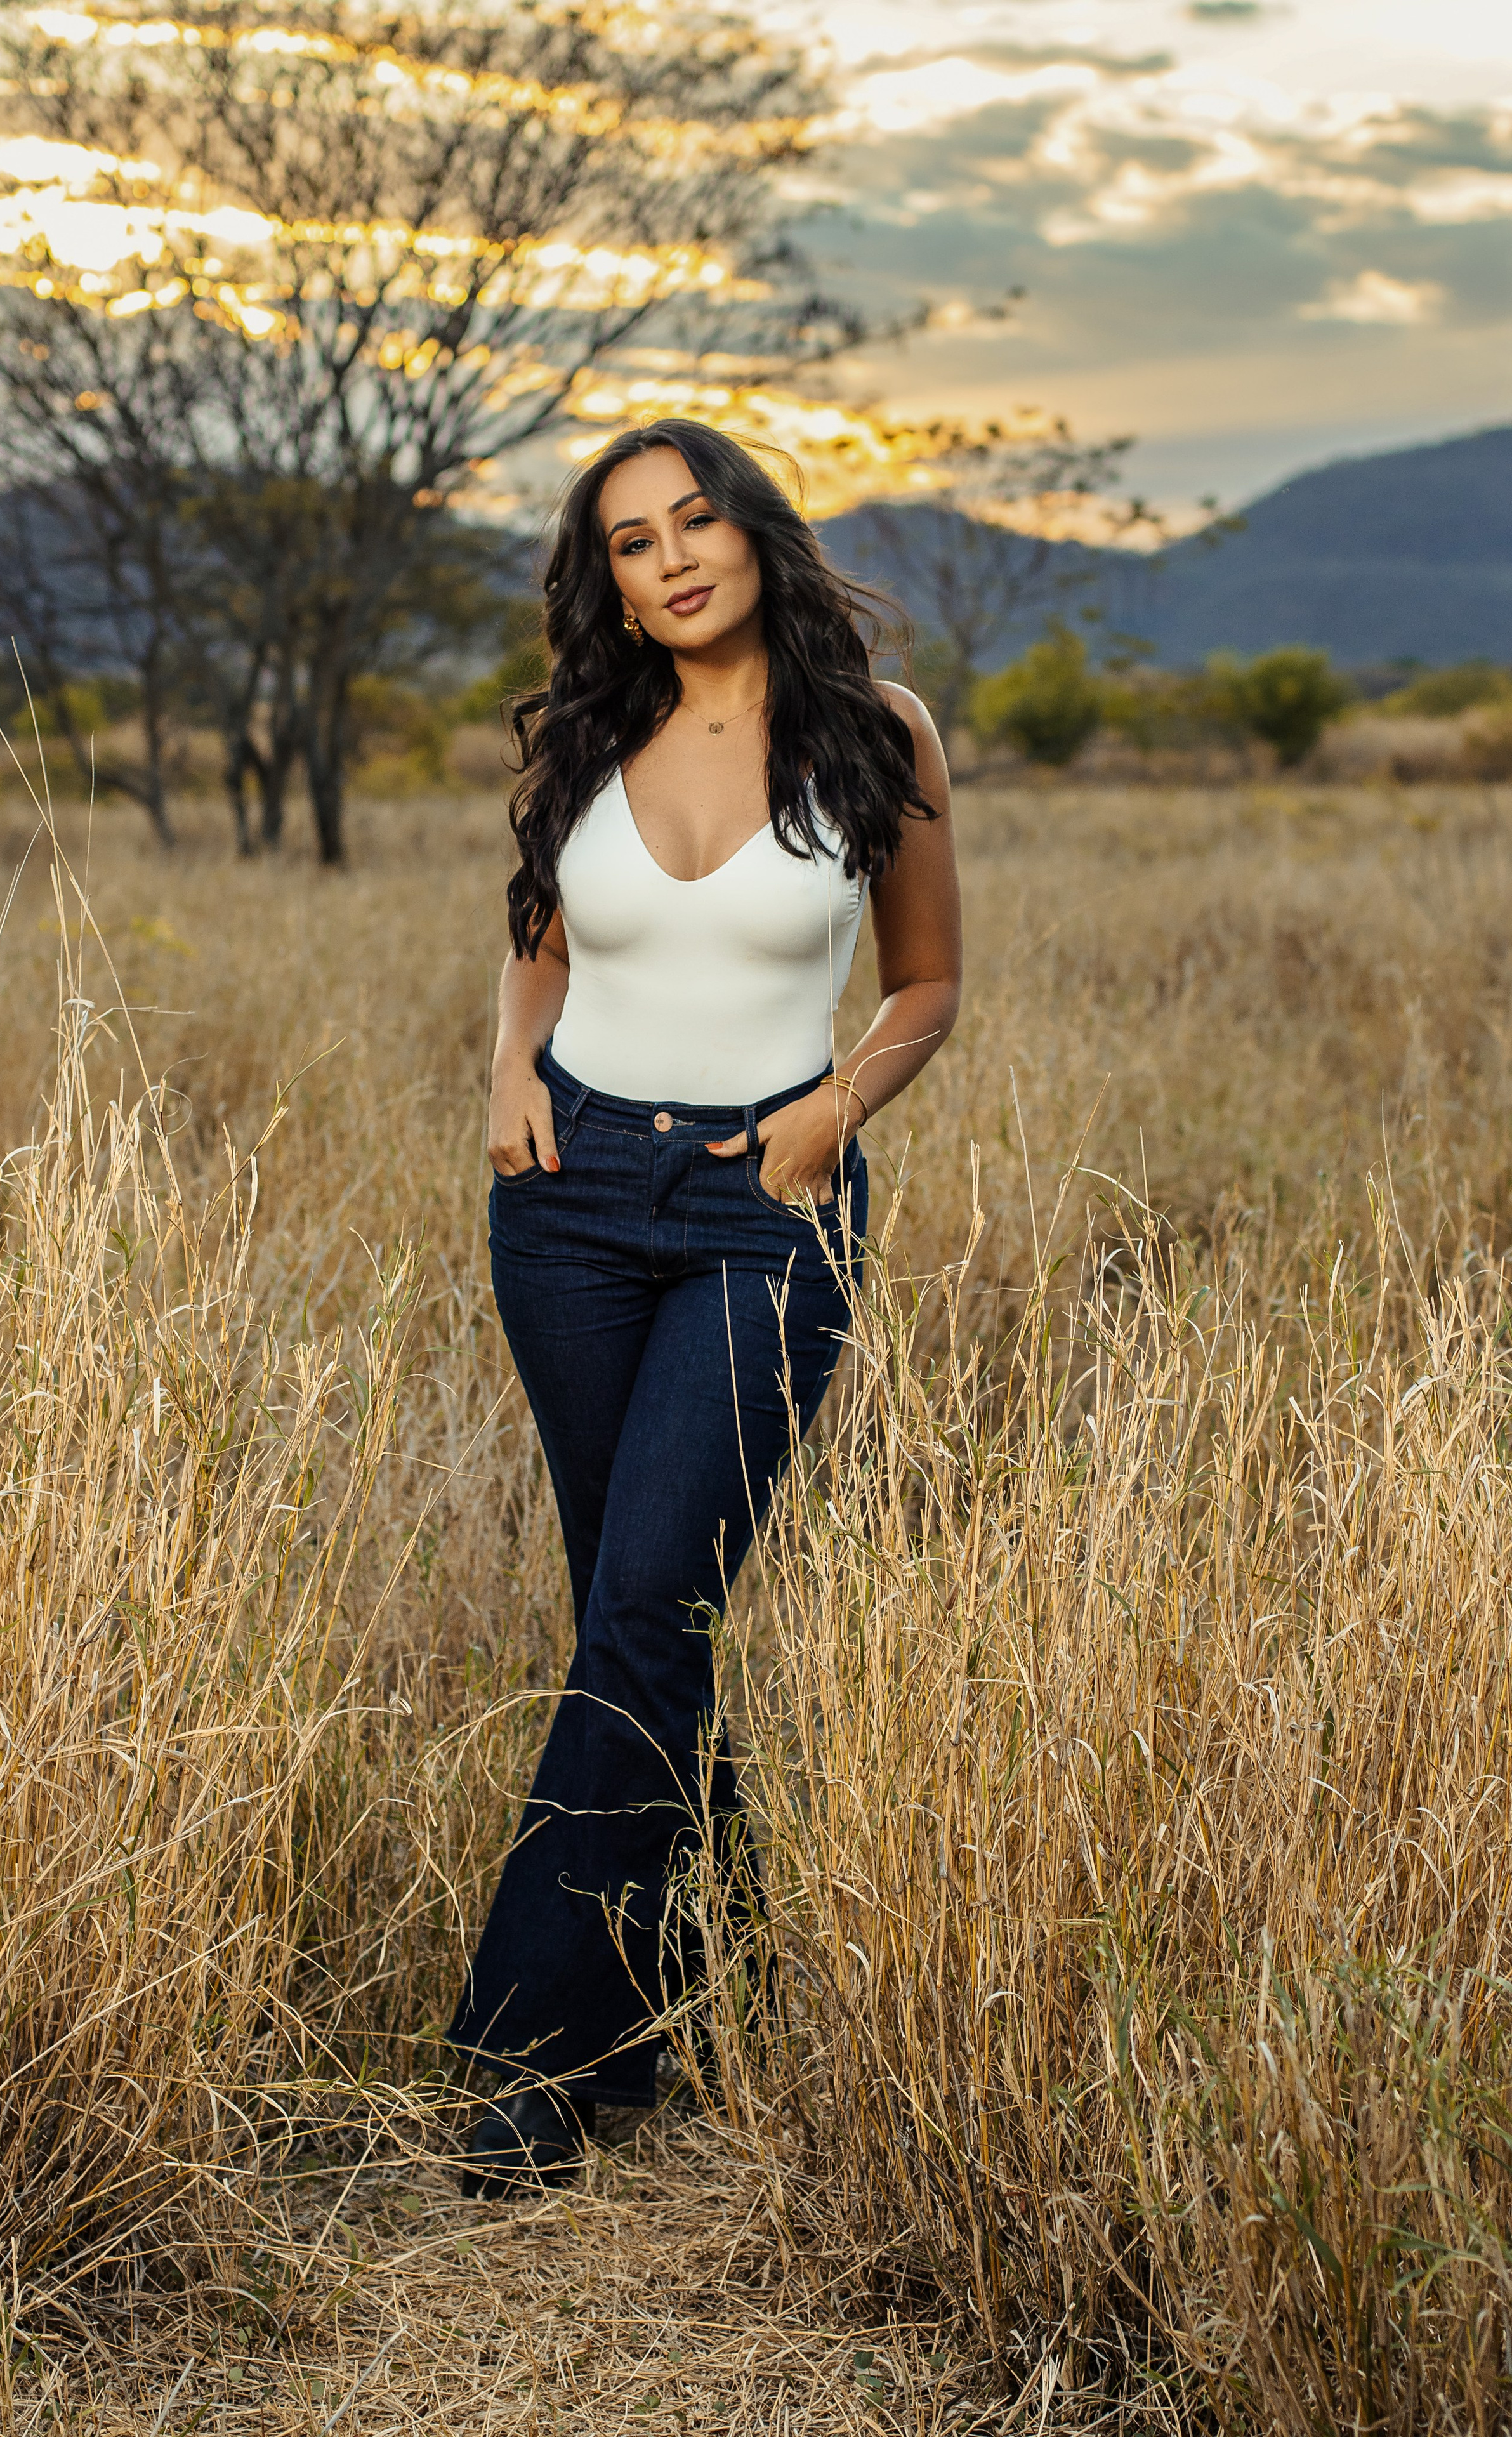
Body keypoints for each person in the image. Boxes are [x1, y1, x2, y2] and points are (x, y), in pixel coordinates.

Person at [450, 416, 961, 2196]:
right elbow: (540, 939)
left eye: (695, 520)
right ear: (607, 579)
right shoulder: (590, 732)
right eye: (630, 542)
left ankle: (529, 2051)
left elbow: (931, 979)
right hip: (568, 1202)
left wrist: (836, 1110)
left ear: (752, 530)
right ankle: (691, 1975)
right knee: (637, 1621)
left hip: (767, 1204)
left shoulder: (876, 731)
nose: (670, 559)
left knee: (648, 1614)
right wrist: (507, 1072)